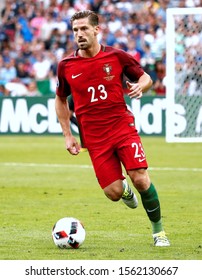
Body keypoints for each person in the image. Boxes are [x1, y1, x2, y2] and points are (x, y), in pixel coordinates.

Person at [55, 10, 170, 247]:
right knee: (114, 193)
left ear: (97, 29)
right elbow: (60, 99)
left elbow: (146, 77)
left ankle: (158, 232)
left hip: (122, 127)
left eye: (84, 28)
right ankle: (124, 190)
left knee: (140, 179)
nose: (79, 34)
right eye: (75, 30)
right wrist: (68, 135)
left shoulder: (117, 57)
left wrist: (141, 87)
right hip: (94, 138)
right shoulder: (66, 65)